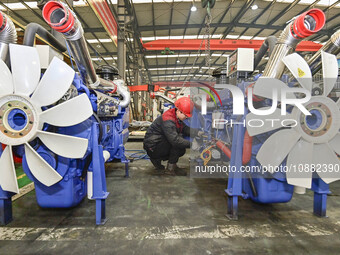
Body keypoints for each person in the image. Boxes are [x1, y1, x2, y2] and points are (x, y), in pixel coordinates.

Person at [143, 97, 203, 176]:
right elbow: (175, 140)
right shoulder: (168, 120)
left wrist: (197, 132)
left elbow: (184, 128)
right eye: (185, 115)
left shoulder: (174, 115)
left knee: (180, 144)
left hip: (156, 143)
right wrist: (192, 144)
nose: (186, 117)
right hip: (153, 147)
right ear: (178, 111)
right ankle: (169, 169)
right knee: (178, 142)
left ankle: (169, 165)